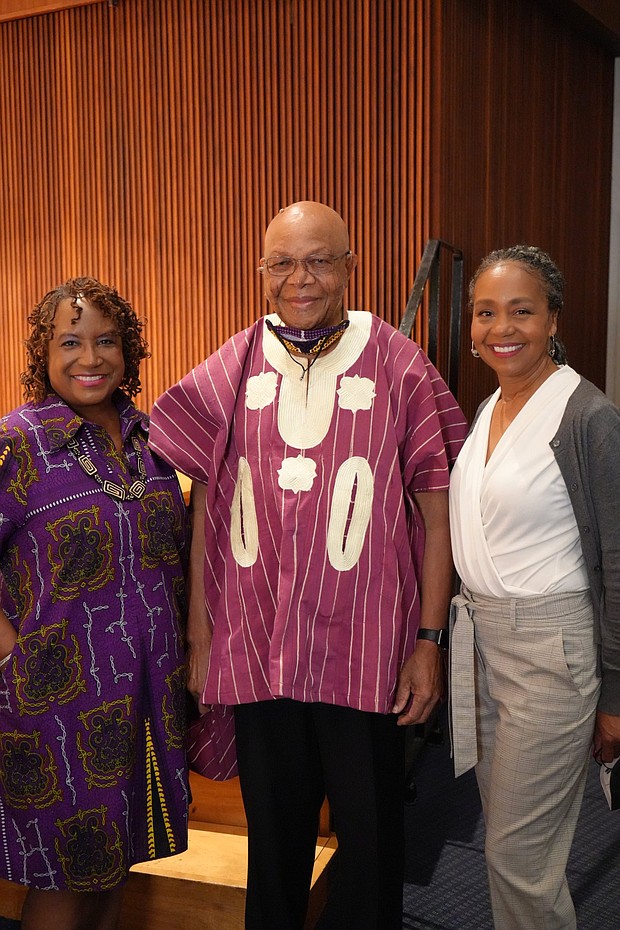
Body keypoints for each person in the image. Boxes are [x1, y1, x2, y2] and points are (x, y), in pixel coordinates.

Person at [148, 200, 467, 930]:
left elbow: (438, 508)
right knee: (275, 842)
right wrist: (200, 633)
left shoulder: (397, 362)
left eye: (320, 260)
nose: (301, 278)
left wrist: (429, 642)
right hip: (260, 648)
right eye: (283, 262)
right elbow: (203, 506)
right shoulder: (237, 359)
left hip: (366, 651)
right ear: (262, 271)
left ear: (350, 267)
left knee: (372, 839)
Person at [0, 278, 190, 930]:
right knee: (66, 874)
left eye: (106, 341)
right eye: (71, 342)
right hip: (56, 703)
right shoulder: (19, 442)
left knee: (120, 862)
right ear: (44, 354)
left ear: (128, 351)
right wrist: (11, 655)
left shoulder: (153, 442)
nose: (91, 357)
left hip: (147, 698)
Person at [449, 245, 620, 930]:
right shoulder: (489, 405)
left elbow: (618, 559)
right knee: (511, 843)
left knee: (518, 853)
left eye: (521, 311)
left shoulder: (585, 417)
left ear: (552, 318)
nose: (502, 328)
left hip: (552, 649)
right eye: (486, 312)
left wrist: (616, 691)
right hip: (485, 642)